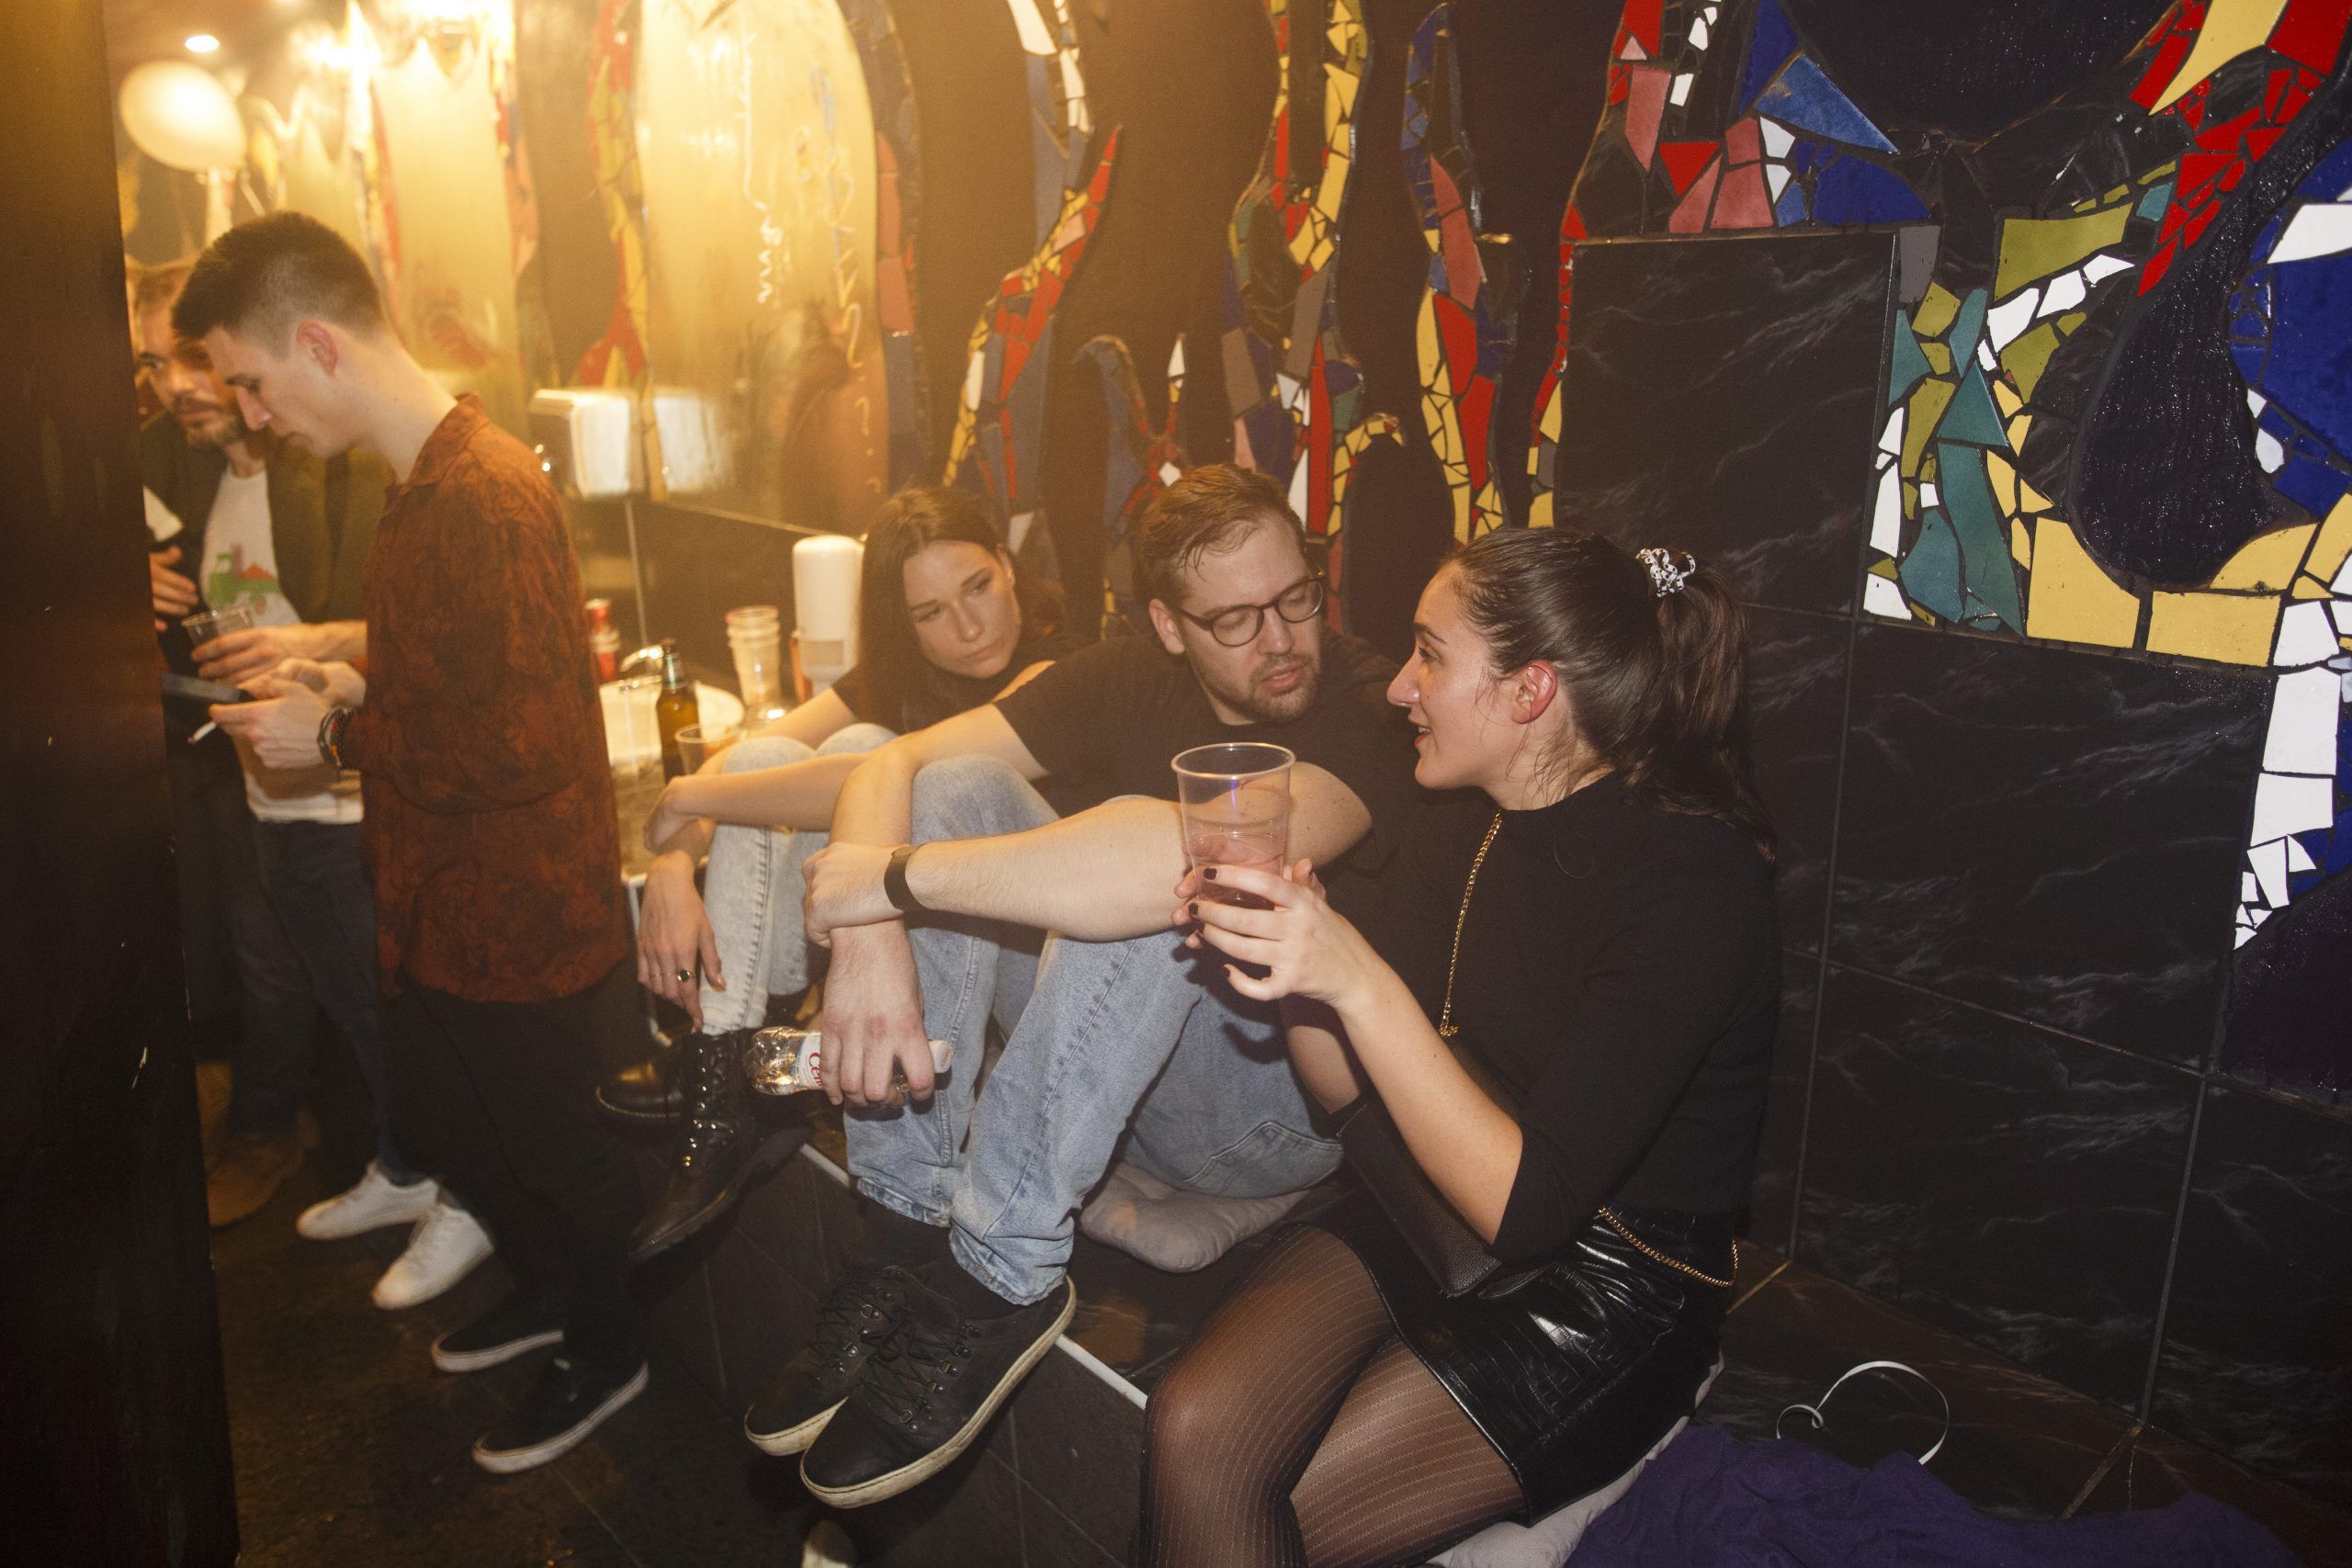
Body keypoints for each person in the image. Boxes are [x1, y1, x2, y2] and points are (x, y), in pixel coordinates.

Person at [763, 465, 1419, 1507]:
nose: (1282, 639)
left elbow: (1203, 854)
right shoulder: (1124, 672)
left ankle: (1001, 1272)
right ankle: (901, 1226)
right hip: (1123, 1084)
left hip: (1274, 1113)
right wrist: (870, 935)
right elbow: (889, 766)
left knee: (1161, 874)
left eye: (1297, 597)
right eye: (1234, 620)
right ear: (1168, 625)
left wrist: (885, 883)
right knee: (959, 786)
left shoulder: (1368, 707)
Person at [1136, 530, 1781, 1567]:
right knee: (1190, 1428)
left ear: (1531, 691)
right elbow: (1345, 1101)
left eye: (1430, 655)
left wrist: (1354, 975)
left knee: (1288, 1523)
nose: (1399, 686)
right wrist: (1293, 965)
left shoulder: (1693, 884)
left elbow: (1527, 1211)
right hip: (1428, 1198)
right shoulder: (1456, 822)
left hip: (1612, 1281)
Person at [190, 211, 648, 1473]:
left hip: (519, 918)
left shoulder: (484, 493)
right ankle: (555, 1293)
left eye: (251, 380)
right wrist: (348, 682)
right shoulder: (421, 485)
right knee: (460, 1128)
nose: (251, 414)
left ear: (317, 343)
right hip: (443, 904)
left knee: (549, 1149)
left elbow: (524, 745)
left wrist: (335, 738)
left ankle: (609, 1348)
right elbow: (458, 682)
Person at [133, 263, 482, 1313]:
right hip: (265, 786)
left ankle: (463, 1191)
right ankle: (405, 1164)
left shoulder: (351, 467)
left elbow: (415, 641)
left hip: (346, 787)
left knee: (395, 1010)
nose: (184, 387)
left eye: (203, 363)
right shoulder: (183, 472)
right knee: (329, 993)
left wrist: (314, 655)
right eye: (158, 366)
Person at [606, 483, 1078, 1258]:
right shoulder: (901, 674)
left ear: (1006, 562)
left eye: (978, 586)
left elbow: (863, 776)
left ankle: (733, 1076)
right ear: (902, 621)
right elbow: (744, 761)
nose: (968, 626)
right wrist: (672, 862)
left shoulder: (1059, 669)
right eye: (930, 613)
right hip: (891, 962)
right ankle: (729, 1063)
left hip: (1021, 977)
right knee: (772, 752)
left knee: (862, 754)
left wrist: (687, 796)